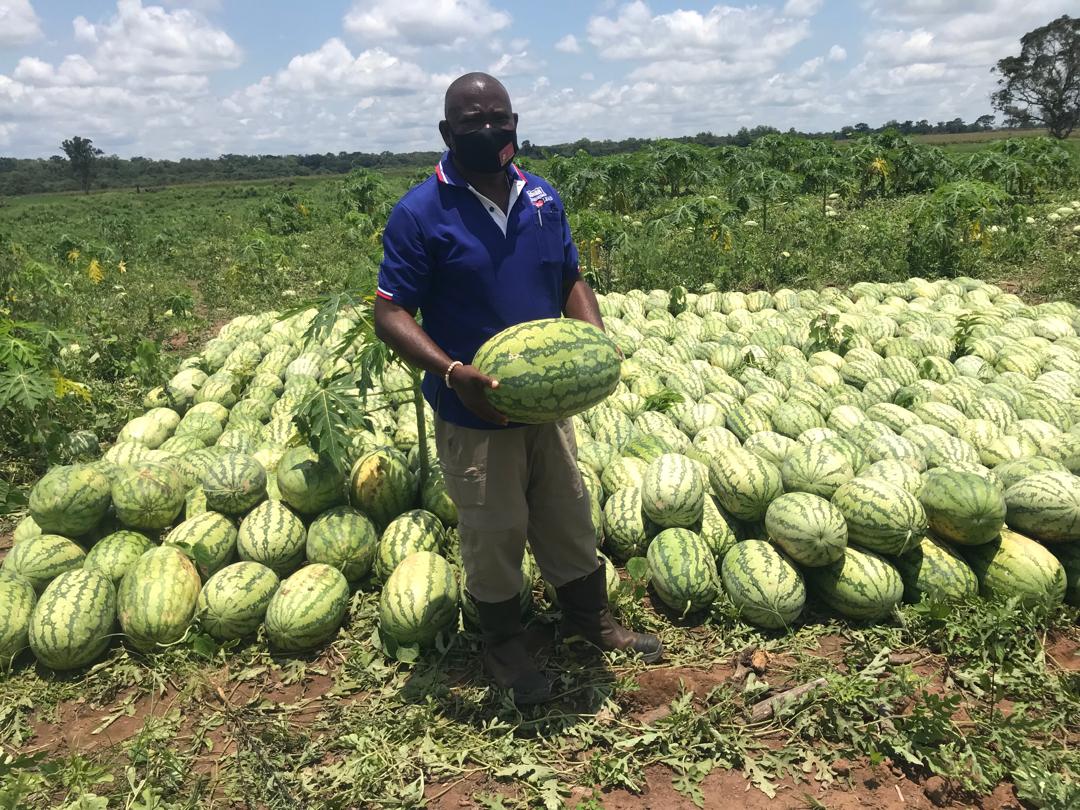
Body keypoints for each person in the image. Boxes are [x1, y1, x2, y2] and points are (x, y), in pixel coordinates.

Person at [373, 73, 662, 705]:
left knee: (567, 512)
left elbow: (570, 277)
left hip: (546, 400)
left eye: (499, 118)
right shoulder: (421, 212)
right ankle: (504, 646)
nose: (489, 130)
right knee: (495, 531)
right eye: (473, 121)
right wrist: (453, 373)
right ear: (448, 133)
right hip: (473, 407)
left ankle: (591, 620)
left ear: (514, 121)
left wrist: (595, 339)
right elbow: (390, 313)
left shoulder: (541, 198)